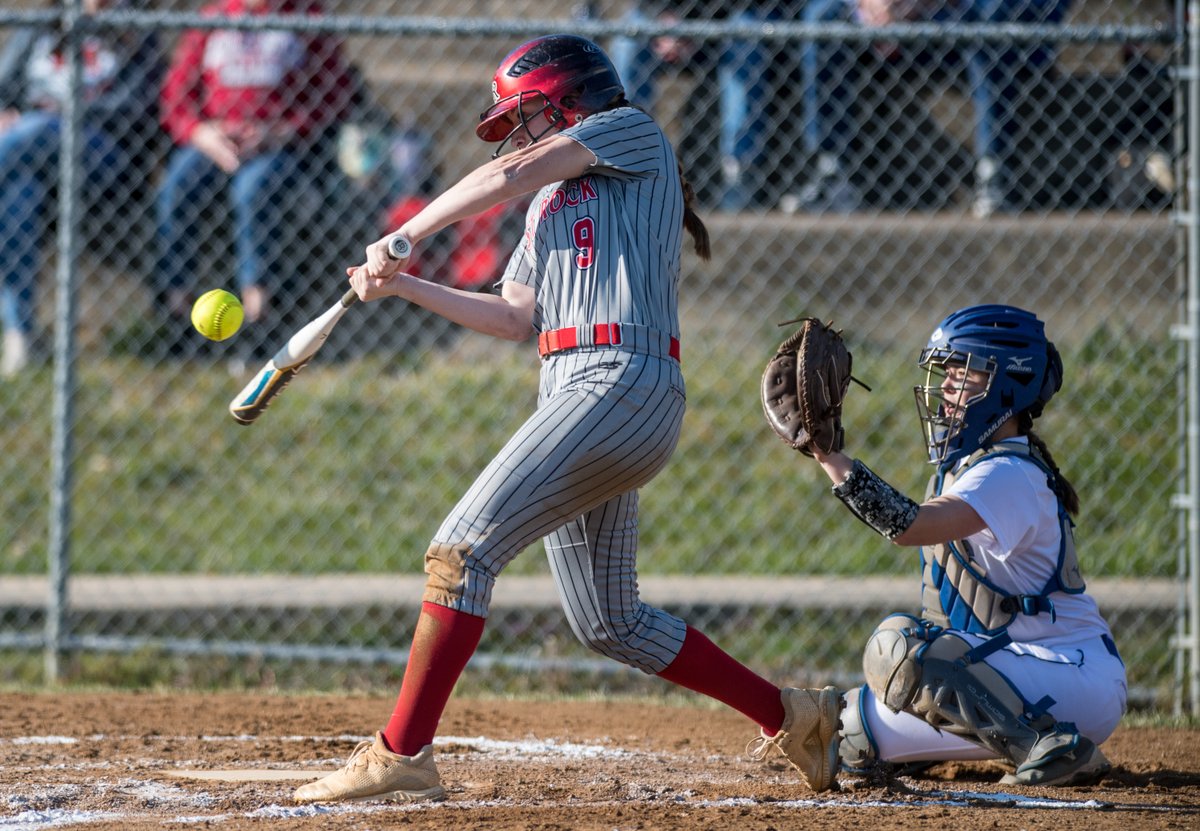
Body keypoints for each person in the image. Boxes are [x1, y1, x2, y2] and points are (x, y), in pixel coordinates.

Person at [290, 33, 840, 805]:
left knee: (460, 551)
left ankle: (402, 751)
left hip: (620, 379)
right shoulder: (547, 202)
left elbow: (506, 173)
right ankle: (791, 714)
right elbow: (515, 318)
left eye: (527, 114)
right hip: (578, 392)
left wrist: (409, 230)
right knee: (610, 620)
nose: (518, 133)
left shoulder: (628, 129)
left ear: (569, 97)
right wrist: (405, 284)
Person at [800, 304, 1126, 786]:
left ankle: (1046, 746)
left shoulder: (1008, 474)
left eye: (963, 375)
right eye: (946, 375)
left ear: (1005, 387)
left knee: (899, 647)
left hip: (1071, 675)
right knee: (852, 729)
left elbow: (909, 525)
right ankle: (1017, 737)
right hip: (1015, 673)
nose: (945, 390)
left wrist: (828, 455)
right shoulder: (969, 467)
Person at [153, 0, 353, 357]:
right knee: (177, 185)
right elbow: (175, 99)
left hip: (281, 147)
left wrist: (281, 132)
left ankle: (256, 316)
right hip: (214, 142)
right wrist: (202, 133)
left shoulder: (305, 17)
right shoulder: (214, 18)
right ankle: (176, 312)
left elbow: (335, 97)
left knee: (253, 189)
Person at [0, 0, 161, 377]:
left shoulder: (137, 27)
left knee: (38, 128)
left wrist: (61, 113)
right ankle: (21, 334)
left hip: (102, 155)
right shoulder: (44, 23)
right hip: (29, 158)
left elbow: (134, 107)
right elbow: (4, 88)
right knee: (20, 197)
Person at [797, 0, 1073, 216]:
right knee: (822, 17)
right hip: (903, 13)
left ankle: (994, 173)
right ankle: (830, 172)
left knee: (989, 19)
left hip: (965, 10)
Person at [609, 1, 803, 211]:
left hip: (727, 19)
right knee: (627, 40)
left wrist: (694, 23)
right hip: (667, 20)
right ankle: (630, 165)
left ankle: (738, 169)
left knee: (745, 36)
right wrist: (663, 17)